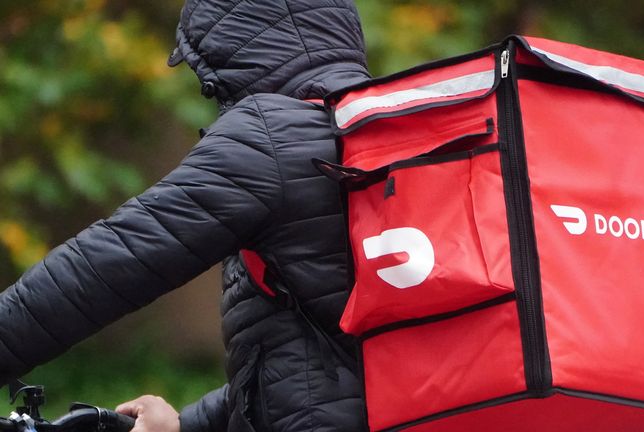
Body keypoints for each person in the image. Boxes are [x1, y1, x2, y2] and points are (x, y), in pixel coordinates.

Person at [0, 1, 370, 431]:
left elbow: (106, 264)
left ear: (228, 61)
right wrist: (185, 425)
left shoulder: (270, 137)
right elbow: (329, 365)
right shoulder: (402, 144)